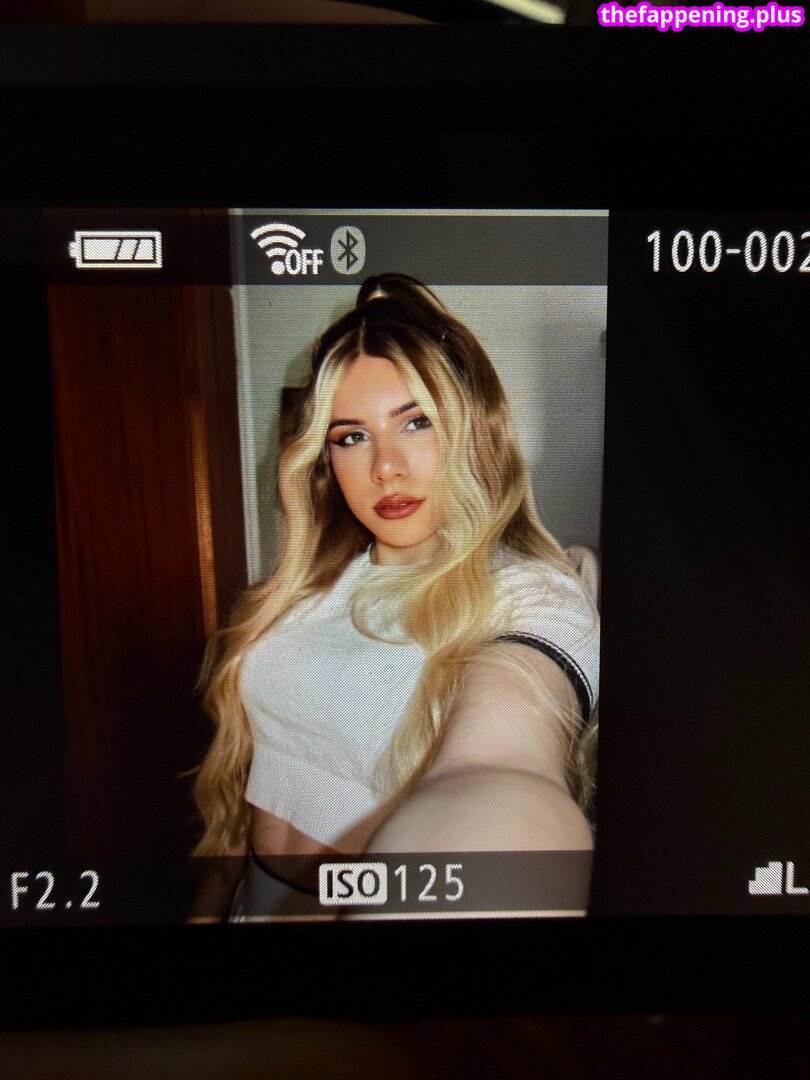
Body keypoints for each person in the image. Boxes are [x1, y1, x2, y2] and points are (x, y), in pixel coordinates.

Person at [190, 274, 599, 920]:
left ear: (473, 431)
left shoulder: (529, 593)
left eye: (416, 423)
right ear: (323, 459)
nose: (385, 467)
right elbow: (259, 781)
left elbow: (502, 767)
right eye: (350, 436)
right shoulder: (307, 590)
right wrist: (206, 911)